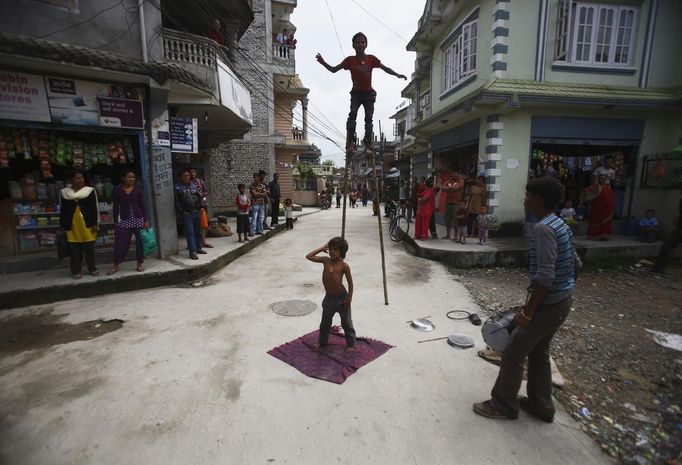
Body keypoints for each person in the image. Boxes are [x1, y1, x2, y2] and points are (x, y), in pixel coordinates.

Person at [473, 177, 581, 422]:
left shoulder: (543, 228)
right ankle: (541, 405)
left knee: (513, 350)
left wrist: (529, 311)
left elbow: (545, 275)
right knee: (539, 350)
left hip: (548, 305)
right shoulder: (560, 224)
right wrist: (565, 289)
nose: (524, 199)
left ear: (538, 199)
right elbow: (576, 264)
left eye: (527, 195)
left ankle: (503, 405)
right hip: (562, 301)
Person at [316, 32, 407, 151]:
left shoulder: (371, 59)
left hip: (368, 94)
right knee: (352, 114)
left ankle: (368, 143)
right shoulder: (350, 61)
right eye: (357, 42)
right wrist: (323, 63)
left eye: (362, 42)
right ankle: (350, 141)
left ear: (366, 45)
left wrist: (397, 74)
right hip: (356, 94)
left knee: (368, 119)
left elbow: (385, 68)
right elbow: (333, 70)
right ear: (353, 45)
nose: (360, 44)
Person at [306, 237, 355, 351]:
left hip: (342, 299)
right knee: (325, 323)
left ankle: (351, 344)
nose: (332, 252)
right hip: (328, 299)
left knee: (347, 323)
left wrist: (349, 299)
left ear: (341, 252)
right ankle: (322, 342)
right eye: (331, 249)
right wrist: (321, 248)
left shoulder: (344, 266)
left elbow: (350, 284)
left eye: (336, 249)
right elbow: (309, 256)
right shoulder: (325, 260)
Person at [107, 170, 149, 275]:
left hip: (138, 219)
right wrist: (116, 222)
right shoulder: (117, 191)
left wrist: (146, 220)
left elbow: (143, 205)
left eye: (133, 177)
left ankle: (140, 263)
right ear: (123, 178)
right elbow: (115, 207)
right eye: (129, 177)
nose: (131, 179)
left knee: (140, 243)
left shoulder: (138, 190)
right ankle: (116, 264)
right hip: (124, 220)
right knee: (120, 243)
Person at [59, 170, 100, 279]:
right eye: (77, 178)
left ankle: (92, 268)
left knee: (89, 249)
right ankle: (76, 270)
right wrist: (62, 226)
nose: (80, 180)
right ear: (72, 179)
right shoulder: (65, 193)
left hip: (87, 224)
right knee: (74, 250)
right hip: (71, 225)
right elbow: (63, 210)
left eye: (82, 178)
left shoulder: (90, 191)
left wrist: (95, 224)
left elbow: (94, 208)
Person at [174, 168, 205, 259]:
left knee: (198, 232)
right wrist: (182, 211)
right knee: (190, 233)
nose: (186, 177)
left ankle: (198, 248)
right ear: (181, 177)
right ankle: (192, 252)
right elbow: (176, 202)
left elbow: (199, 196)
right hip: (187, 214)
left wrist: (201, 206)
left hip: (197, 212)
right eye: (184, 176)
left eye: (187, 175)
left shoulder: (193, 185)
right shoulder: (177, 187)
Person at [653, 187, 682, 273]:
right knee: (666, 246)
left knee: (666, 246)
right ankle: (659, 268)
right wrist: (678, 218)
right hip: (680, 229)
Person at [582, 174, 615, 241]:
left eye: (604, 178)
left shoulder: (608, 188)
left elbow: (612, 198)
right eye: (601, 178)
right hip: (596, 209)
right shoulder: (594, 187)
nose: (602, 180)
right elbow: (586, 194)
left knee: (605, 223)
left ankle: (604, 236)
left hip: (606, 210)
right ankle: (594, 236)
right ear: (598, 179)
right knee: (595, 221)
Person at [190, 167, 212, 248]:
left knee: (203, 225)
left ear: (196, 173)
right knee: (193, 226)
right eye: (191, 173)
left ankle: (203, 241)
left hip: (201, 206)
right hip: (192, 207)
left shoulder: (200, 181)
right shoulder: (188, 184)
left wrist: (201, 195)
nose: (192, 174)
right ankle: (193, 243)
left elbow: (206, 191)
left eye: (193, 172)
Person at [442, 173, 464, 240]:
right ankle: (448, 235)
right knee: (447, 220)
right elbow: (443, 188)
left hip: (456, 203)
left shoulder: (460, 181)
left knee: (456, 220)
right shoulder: (447, 181)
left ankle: (455, 235)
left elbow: (455, 188)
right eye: (453, 174)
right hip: (448, 203)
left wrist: (448, 188)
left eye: (456, 174)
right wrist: (451, 188)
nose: (454, 176)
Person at [249, 172, 267, 236]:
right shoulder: (252, 186)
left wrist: (259, 194)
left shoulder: (262, 185)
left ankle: (259, 230)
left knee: (261, 217)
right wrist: (261, 194)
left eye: (255, 177)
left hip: (261, 203)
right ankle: (252, 232)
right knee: (254, 217)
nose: (254, 178)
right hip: (255, 203)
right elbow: (254, 194)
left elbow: (265, 194)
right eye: (254, 177)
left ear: (258, 178)